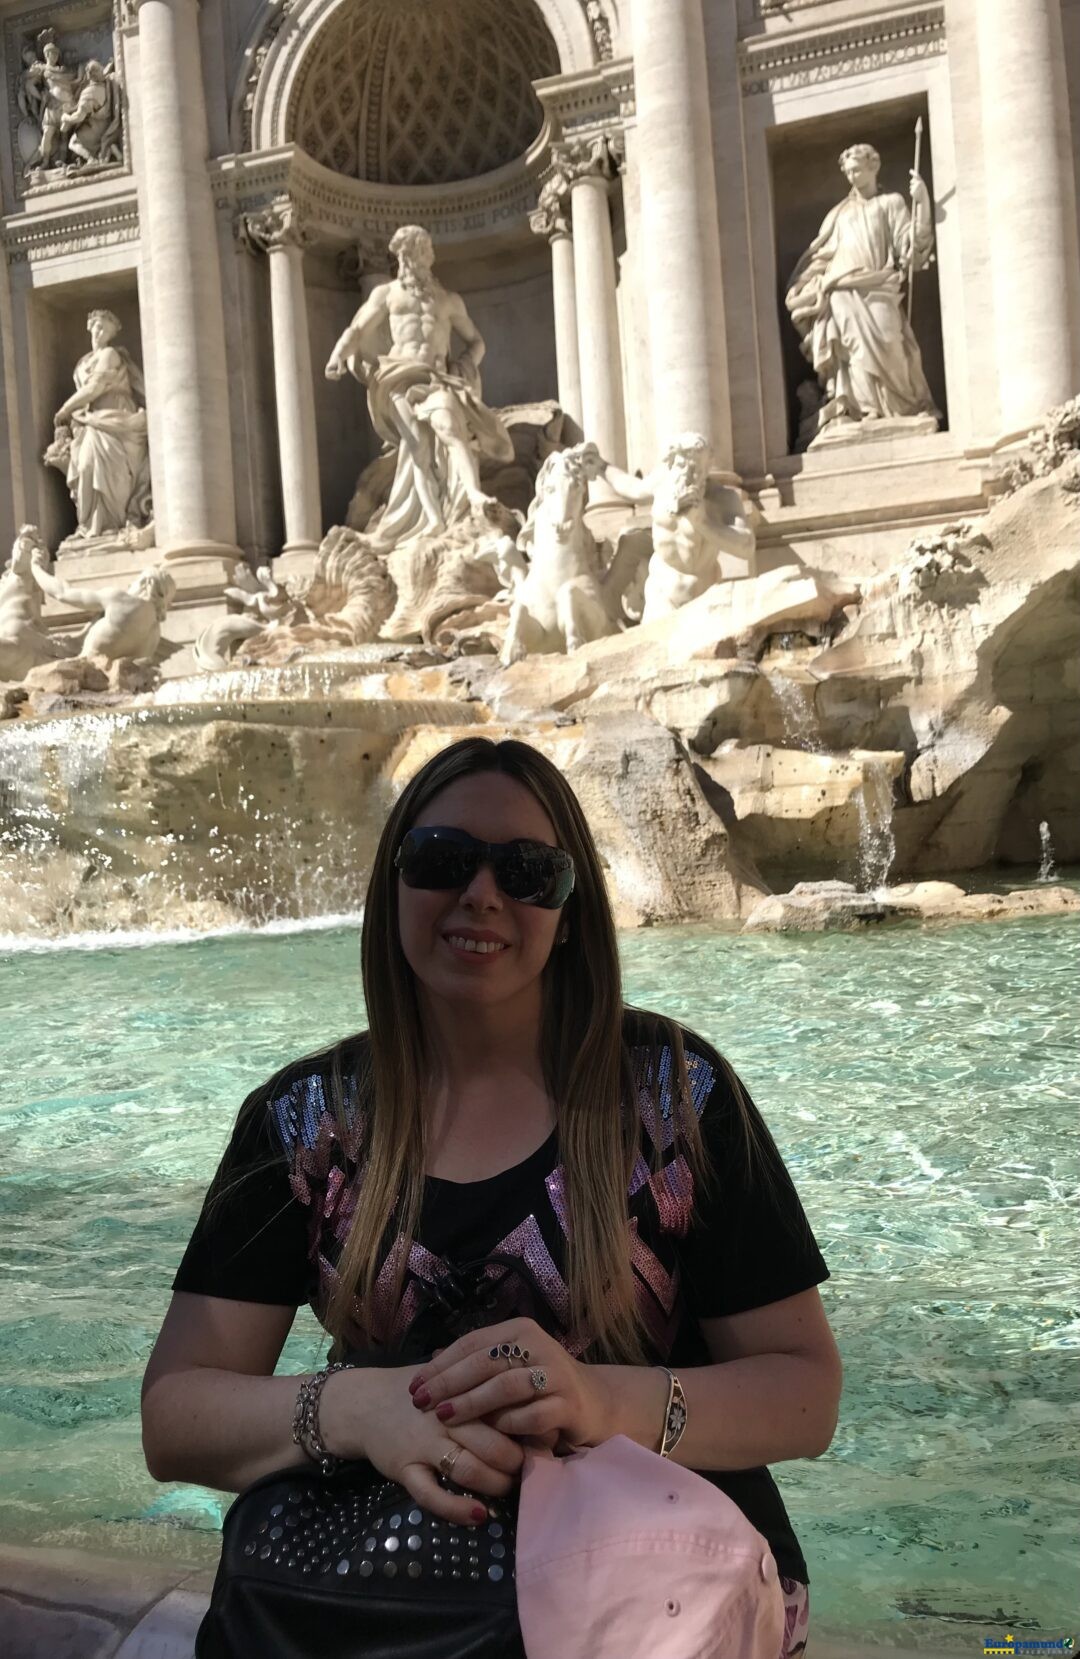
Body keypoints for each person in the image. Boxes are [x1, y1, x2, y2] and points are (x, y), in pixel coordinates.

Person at [143, 736, 841, 1658]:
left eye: (527, 871)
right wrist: (356, 1409)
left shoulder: (678, 1094)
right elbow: (176, 1415)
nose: (483, 894)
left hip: (650, 1594)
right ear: (392, 882)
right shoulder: (306, 1121)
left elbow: (806, 1392)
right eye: (441, 859)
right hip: (381, 1592)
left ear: (570, 905)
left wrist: (600, 1400)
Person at [325, 225, 514, 547]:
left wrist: (464, 367)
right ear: (402, 257)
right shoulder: (386, 294)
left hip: (436, 378)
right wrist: (337, 356)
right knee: (418, 451)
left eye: (424, 253)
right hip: (399, 376)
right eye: (412, 254)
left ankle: (473, 494)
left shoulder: (448, 300)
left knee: (449, 428)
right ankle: (434, 521)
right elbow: (357, 329)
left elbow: (476, 341)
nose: (419, 260)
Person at [785, 142, 939, 435]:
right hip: (840, 289)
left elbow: (911, 249)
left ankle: (902, 408)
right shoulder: (838, 214)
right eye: (848, 172)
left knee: (890, 342)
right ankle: (865, 409)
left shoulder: (891, 203)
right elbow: (822, 256)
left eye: (857, 170)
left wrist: (922, 204)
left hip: (879, 286)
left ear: (873, 167)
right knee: (853, 353)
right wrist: (803, 285)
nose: (853, 176)